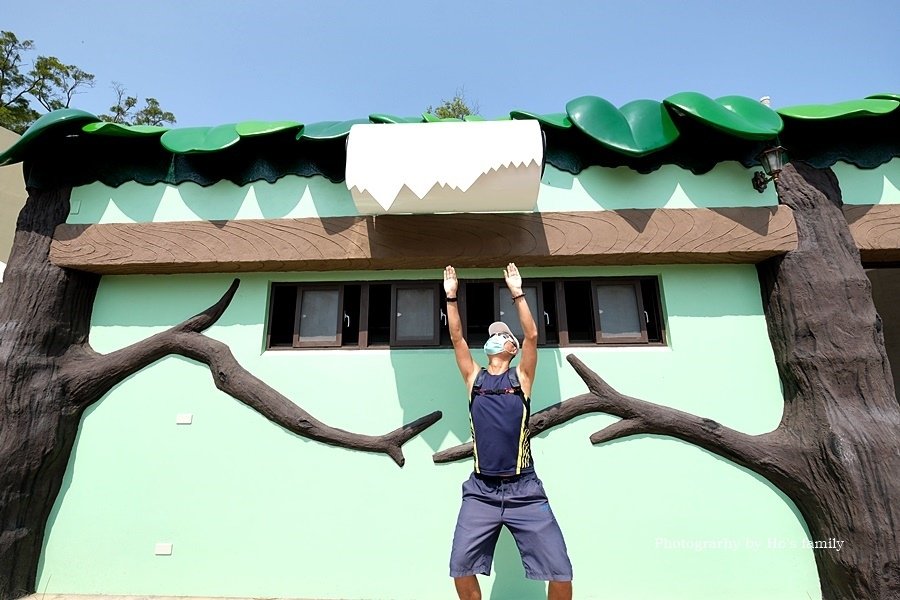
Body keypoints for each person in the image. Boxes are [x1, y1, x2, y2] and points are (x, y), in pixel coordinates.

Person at [444, 263, 573, 600]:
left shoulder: (521, 379)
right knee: (460, 566)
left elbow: (532, 335)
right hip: (480, 490)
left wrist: (517, 292)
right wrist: (452, 297)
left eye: (502, 334)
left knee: (560, 571)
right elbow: (457, 337)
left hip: (524, 490)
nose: (495, 337)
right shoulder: (474, 378)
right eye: (492, 334)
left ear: (512, 349)